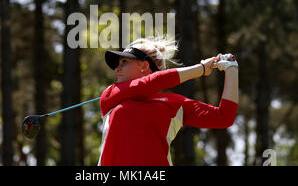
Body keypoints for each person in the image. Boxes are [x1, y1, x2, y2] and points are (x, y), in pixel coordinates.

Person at [98, 36, 239, 166]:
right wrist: (201, 69)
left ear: (144, 67)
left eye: (124, 62)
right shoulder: (111, 94)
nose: (117, 68)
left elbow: (224, 117)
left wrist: (231, 67)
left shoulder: (174, 103)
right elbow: (154, 82)